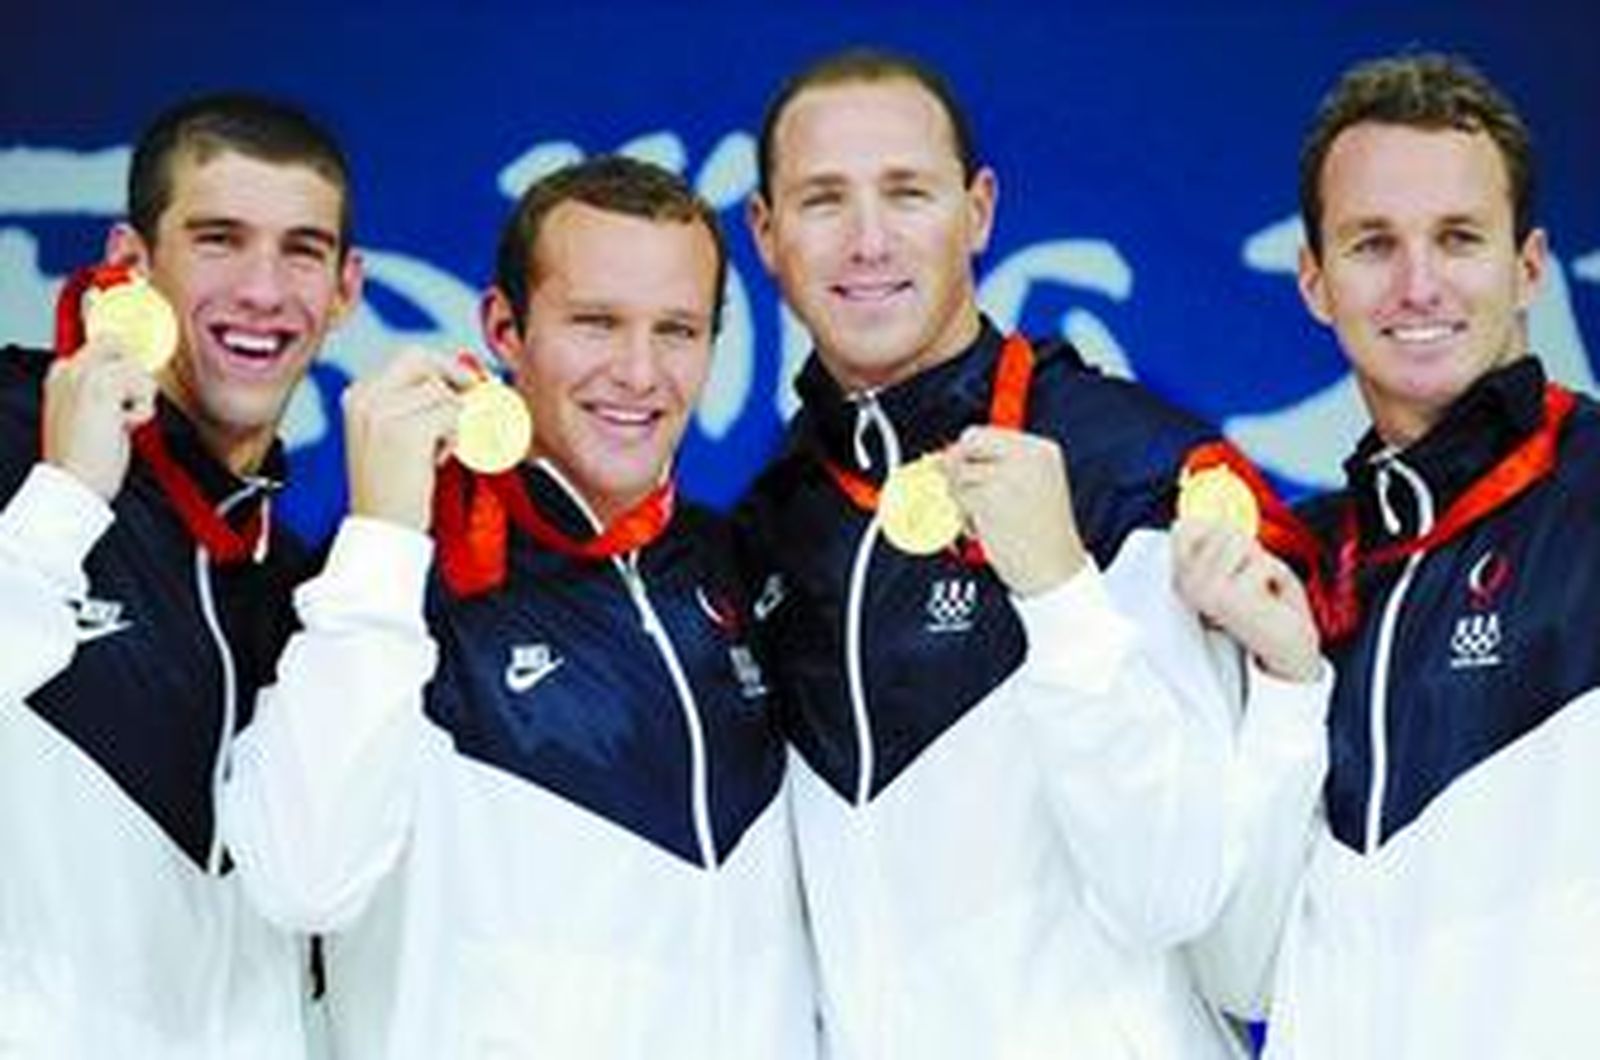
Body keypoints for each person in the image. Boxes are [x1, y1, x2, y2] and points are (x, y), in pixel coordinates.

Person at [738, 47, 1329, 1059]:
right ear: (765, 232)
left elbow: (1174, 892)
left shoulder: (1130, 471)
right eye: (823, 199)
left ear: (978, 211)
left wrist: (1057, 589)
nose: (868, 240)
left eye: (907, 192)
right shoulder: (774, 522)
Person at [221, 156, 818, 1060]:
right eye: (595, 323)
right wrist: (383, 537)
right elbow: (303, 881)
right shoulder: (393, 578)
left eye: (677, 330)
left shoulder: (732, 566)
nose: (639, 371)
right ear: (505, 327)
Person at [1253, 51, 1600, 1058]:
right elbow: (1239, 957)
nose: (1417, 285)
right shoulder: (1295, 567)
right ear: (1314, 281)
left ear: (1527, 266)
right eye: (1373, 244)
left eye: (1458, 238)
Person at [0, 94, 362, 1057]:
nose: (262, 290)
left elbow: (314, 894)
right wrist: (63, 503)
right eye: (218, 240)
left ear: (345, 291)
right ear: (131, 263)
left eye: (301, 251)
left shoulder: (292, 582)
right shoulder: (15, 440)